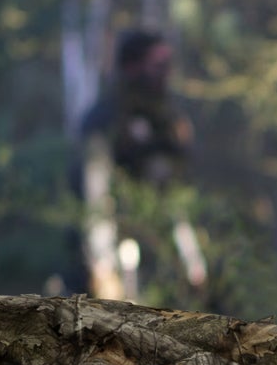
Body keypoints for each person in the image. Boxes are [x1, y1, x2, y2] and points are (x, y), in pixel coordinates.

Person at [77, 28, 207, 303]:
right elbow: (95, 192)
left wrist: (192, 259)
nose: (165, 73)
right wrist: (103, 264)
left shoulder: (169, 122)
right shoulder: (104, 121)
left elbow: (176, 194)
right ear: (133, 67)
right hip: (118, 260)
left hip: (164, 262)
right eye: (157, 65)